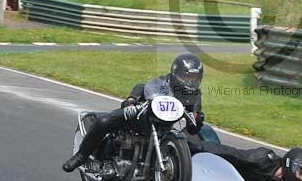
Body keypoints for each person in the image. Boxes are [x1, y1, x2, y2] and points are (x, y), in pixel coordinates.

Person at [63, 54, 205, 172]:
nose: (191, 82)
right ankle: (81, 156)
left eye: (194, 78)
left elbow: (192, 129)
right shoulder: (163, 82)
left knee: (192, 142)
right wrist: (131, 101)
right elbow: (142, 87)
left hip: (164, 127)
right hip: (140, 116)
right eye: (187, 77)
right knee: (105, 121)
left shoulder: (195, 95)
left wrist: (198, 120)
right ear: (176, 73)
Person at [188, 141, 302, 181]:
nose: (300, 178)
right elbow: (232, 153)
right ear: (292, 162)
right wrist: (194, 147)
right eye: (301, 173)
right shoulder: (263, 158)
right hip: (215, 163)